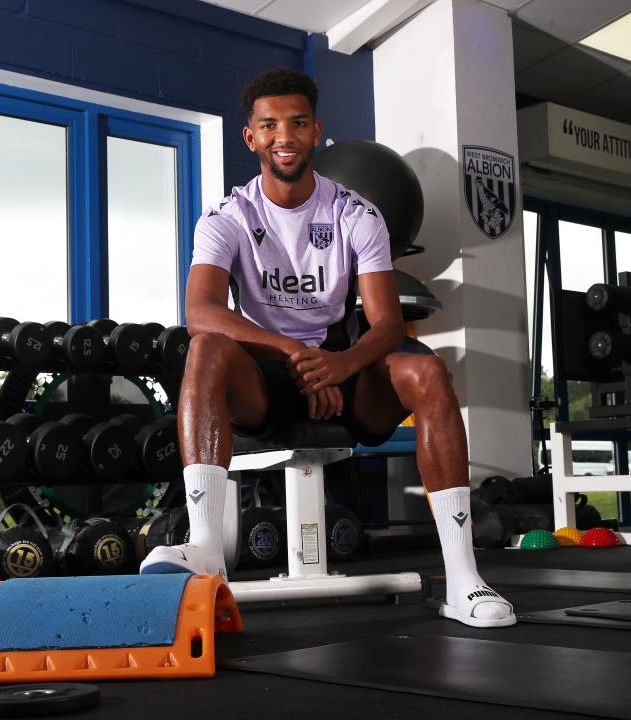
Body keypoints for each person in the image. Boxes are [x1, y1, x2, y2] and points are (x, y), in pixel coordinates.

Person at [140, 68, 515, 628]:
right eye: (269, 125)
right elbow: (202, 313)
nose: (283, 136)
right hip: (265, 382)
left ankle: (464, 581)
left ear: (317, 132)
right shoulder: (227, 218)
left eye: (296, 123)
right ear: (251, 138)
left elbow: (387, 325)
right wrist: (294, 352)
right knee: (205, 350)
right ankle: (206, 553)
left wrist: (339, 364)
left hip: (344, 378)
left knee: (427, 372)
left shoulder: (356, 215)